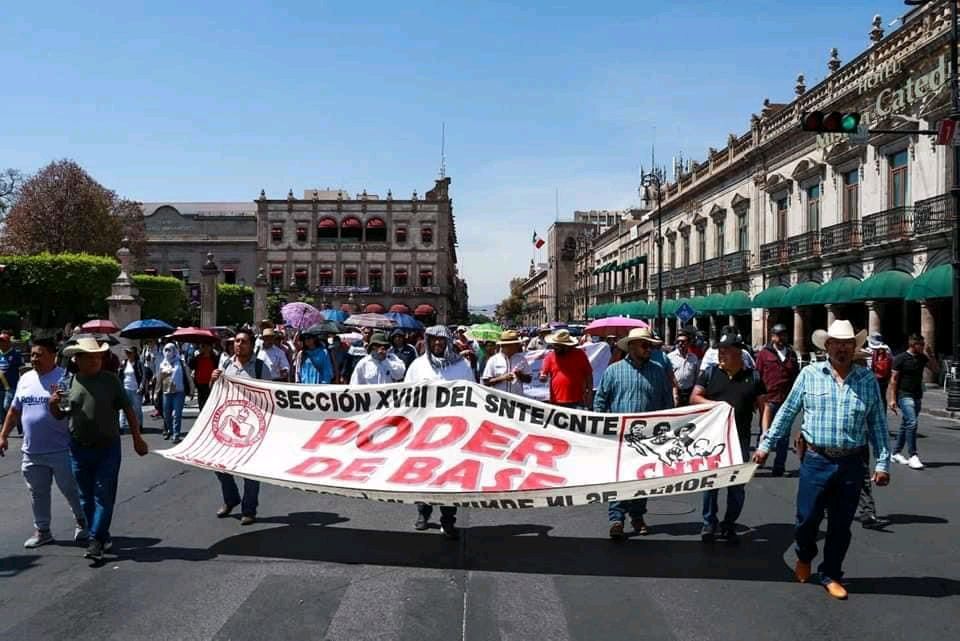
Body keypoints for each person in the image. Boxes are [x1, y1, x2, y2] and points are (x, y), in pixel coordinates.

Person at [753, 320, 890, 600]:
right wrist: (765, 445)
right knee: (807, 519)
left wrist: (882, 463)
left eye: (847, 344)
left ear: (855, 347)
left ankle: (831, 573)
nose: (841, 348)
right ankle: (804, 555)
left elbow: (877, 423)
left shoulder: (866, 381)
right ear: (827, 346)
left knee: (841, 525)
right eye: (836, 343)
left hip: (851, 462)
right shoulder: (810, 374)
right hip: (816, 460)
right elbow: (788, 411)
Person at [49, 336, 149, 561]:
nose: (95, 361)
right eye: (90, 358)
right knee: (85, 497)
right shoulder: (68, 382)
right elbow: (60, 415)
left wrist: (137, 438)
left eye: (98, 357)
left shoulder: (110, 380)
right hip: (78, 447)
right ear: (78, 359)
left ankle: (94, 538)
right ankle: (102, 534)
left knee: (103, 494)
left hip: (108, 447)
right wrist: (52, 404)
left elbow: (129, 410)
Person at [0, 337, 88, 548]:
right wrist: (3, 436)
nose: (34, 358)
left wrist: (57, 403)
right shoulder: (26, 378)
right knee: (37, 492)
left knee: (71, 489)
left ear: (53, 356)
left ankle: (83, 522)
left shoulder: (65, 378)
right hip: (32, 451)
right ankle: (43, 530)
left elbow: (69, 412)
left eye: (39, 355)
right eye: (32, 355)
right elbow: (14, 410)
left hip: (61, 449)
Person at [594, 327, 673, 540]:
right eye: (645, 345)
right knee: (619, 478)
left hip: (648, 438)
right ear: (631, 346)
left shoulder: (658, 371)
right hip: (619, 437)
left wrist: (667, 431)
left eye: (651, 345)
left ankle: (637, 516)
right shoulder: (613, 371)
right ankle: (616, 518)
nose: (649, 349)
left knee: (643, 479)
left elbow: (667, 403)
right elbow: (600, 402)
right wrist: (601, 431)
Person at [690, 328, 765, 544]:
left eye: (726, 351)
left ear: (739, 353)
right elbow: (695, 398)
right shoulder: (710, 373)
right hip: (712, 440)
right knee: (710, 484)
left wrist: (765, 435)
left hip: (739, 440)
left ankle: (729, 522)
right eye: (720, 350)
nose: (721, 354)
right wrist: (716, 405)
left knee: (736, 486)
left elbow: (764, 406)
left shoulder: (753, 377)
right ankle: (709, 522)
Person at [404, 325, 475, 539]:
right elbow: (406, 395)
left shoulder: (461, 365)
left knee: (449, 479)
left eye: (441, 340)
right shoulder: (418, 366)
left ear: (447, 342)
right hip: (424, 432)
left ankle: (448, 519)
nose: (438, 344)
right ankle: (423, 514)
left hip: (454, 432)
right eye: (433, 340)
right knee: (424, 475)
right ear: (427, 341)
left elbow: (472, 394)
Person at [210, 329, 271, 525]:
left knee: (251, 471)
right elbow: (217, 394)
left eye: (243, 342)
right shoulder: (226, 365)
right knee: (219, 465)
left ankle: (249, 510)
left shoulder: (261, 368)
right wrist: (213, 379)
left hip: (254, 426)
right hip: (229, 425)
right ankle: (231, 499)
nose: (238, 345)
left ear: (251, 345)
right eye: (236, 341)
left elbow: (271, 397)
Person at [754, 323, 800, 476]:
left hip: (786, 400)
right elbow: (757, 375)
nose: (781, 338)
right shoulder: (764, 354)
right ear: (772, 336)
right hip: (768, 399)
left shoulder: (791, 354)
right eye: (778, 335)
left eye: (783, 335)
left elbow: (795, 377)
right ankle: (759, 460)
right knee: (765, 432)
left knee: (784, 434)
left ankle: (779, 466)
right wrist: (757, 397)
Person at [888, 333, 939, 470]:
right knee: (912, 422)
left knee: (906, 424)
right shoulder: (900, 359)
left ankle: (896, 453)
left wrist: (931, 355)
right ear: (912, 345)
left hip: (917, 395)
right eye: (920, 345)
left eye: (923, 344)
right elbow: (894, 380)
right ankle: (913, 455)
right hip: (904, 395)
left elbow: (936, 370)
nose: (922, 347)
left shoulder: (922, 357)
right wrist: (892, 399)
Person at [540, 329, 593, 408]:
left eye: (558, 345)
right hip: (556, 401)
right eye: (554, 345)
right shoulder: (549, 356)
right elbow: (543, 375)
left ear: (566, 345)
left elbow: (588, 374)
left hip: (577, 401)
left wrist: (590, 392)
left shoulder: (580, 354)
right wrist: (542, 378)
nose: (555, 347)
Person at [156, 343, 195, 443]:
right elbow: (159, 379)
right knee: (166, 414)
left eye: (170, 350)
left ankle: (176, 434)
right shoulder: (162, 364)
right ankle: (170, 430)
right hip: (166, 392)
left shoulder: (181, 362)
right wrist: (156, 393)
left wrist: (191, 390)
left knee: (177, 414)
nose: (167, 352)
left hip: (179, 392)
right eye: (166, 350)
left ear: (174, 350)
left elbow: (189, 377)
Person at [482, 330, 532, 396]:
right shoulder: (493, 360)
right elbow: (486, 382)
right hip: (499, 399)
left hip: (517, 399)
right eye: (515, 344)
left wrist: (520, 375)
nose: (518, 346)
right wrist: (502, 378)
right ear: (505, 346)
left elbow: (529, 379)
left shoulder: (521, 359)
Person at [0, 330, 24, 435]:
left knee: (7, 406)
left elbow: (22, 370)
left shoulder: (16, 354)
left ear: (8, 342)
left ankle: (20, 423)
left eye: (3, 341)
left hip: (11, 386)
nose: (1, 343)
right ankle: (4, 428)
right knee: (1, 409)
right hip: (0, 387)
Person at [667, 329, 700, 407]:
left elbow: (696, 375)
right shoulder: (670, 357)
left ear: (688, 343)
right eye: (678, 342)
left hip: (689, 392)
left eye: (683, 342)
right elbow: (668, 375)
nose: (680, 344)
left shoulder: (694, 358)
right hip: (675, 392)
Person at [118, 346, 144, 435]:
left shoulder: (139, 363)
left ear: (134, 354)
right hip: (125, 388)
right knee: (123, 408)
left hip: (136, 389)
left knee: (137, 409)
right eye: (127, 353)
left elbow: (143, 376)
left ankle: (139, 425)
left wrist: (141, 386)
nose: (128, 354)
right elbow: (120, 375)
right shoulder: (124, 363)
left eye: (129, 353)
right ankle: (121, 426)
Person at [189, 342, 219, 411]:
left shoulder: (214, 358)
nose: (205, 348)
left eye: (207, 346)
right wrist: (195, 353)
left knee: (210, 406)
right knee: (202, 406)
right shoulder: (197, 357)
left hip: (211, 385)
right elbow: (191, 365)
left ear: (211, 347)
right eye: (203, 346)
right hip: (200, 385)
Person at [868, 335, 893, 406]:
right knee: (882, 396)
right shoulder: (887, 349)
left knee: (873, 396)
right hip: (884, 378)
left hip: (872, 376)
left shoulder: (869, 350)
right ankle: (883, 413)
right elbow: (891, 361)